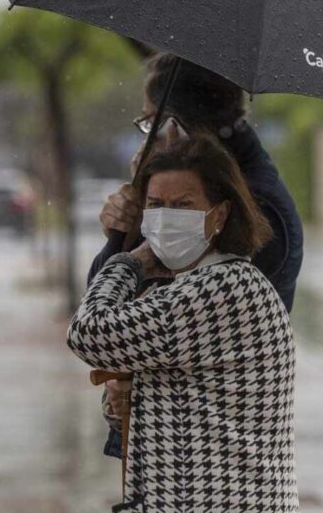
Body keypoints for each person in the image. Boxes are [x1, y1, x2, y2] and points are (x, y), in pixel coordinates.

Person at [67, 136, 306, 513]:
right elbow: (179, 398)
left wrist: (129, 261)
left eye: (183, 204)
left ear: (220, 214)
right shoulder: (188, 288)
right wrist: (125, 401)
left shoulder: (223, 289)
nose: (165, 217)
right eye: (155, 204)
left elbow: (88, 333)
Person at [88, 53, 304, 457]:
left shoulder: (252, 208)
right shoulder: (196, 188)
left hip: (209, 452)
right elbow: (114, 311)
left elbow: (109, 329)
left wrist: (134, 239)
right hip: (174, 445)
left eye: (149, 122)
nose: (147, 137)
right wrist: (123, 231)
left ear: (175, 126)